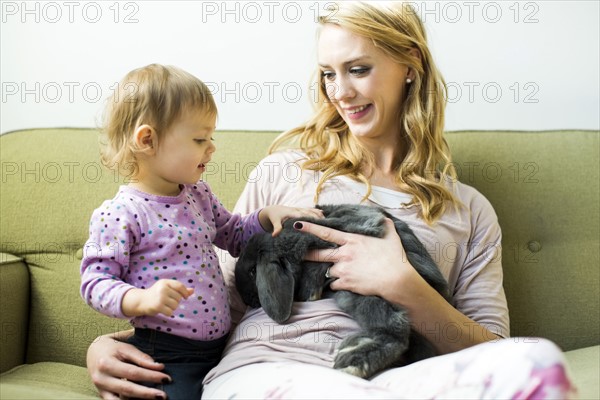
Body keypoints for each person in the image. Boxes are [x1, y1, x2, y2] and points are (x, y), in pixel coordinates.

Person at [85, 3, 577, 399]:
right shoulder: (284, 173)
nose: (339, 92)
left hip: (389, 379)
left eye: (358, 69)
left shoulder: (467, 211)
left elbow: (491, 350)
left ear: (410, 65)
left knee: (537, 360)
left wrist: (406, 287)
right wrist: (114, 344)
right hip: (270, 372)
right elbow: (205, 295)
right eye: (327, 74)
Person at [80, 64, 322, 400]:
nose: (211, 147)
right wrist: (138, 299)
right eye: (199, 139)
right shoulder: (121, 214)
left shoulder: (197, 194)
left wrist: (267, 216)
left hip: (220, 350)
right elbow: (94, 282)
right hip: (167, 355)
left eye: (211, 137)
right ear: (147, 139)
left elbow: (234, 234)